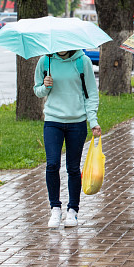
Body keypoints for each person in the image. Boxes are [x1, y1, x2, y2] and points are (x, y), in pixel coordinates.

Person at [34, 49, 101, 228]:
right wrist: (45, 87)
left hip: (76, 122)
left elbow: (91, 94)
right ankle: (55, 208)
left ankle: (73, 210)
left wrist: (93, 121)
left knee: (72, 167)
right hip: (52, 121)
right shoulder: (45, 61)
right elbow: (37, 91)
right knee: (52, 164)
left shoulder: (82, 61)